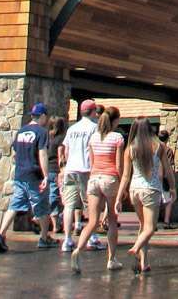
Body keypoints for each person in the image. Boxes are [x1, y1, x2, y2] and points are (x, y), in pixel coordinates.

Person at [115, 116, 175, 275]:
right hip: (151, 190)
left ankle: (144, 262)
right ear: (150, 129)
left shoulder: (130, 148)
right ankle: (136, 247)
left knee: (143, 226)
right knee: (150, 228)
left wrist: (119, 198)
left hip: (135, 190)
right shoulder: (158, 146)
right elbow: (168, 170)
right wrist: (173, 187)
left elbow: (126, 176)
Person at [0, 102, 53, 253]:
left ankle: (1, 234)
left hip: (20, 174)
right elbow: (42, 154)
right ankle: (44, 238)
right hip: (34, 174)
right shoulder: (42, 132)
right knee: (41, 207)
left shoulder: (21, 131)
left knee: (14, 205)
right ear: (43, 116)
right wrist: (46, 176)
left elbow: (15, 153)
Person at [71, 108, 124, 274]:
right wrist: (122, 186)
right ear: (115, 120)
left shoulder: (93, 138)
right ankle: (111, 259)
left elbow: (92, 163)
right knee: (112, 220)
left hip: (94, 179)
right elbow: (119, 165)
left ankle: (78, 249)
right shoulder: (117, 138)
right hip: (110, 178)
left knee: (92, 221)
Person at [60, 100, 104, 253]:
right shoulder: (94, 128)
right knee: (91, 205)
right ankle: (93, 238)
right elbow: (96, 148)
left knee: (69, 205)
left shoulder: (72, 128)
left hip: (70, 169)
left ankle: (67, 240)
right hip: (86, 169)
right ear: (93, 112)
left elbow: (66, 151)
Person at [46, 117, 66, 234]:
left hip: (47, 170)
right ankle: (56, 225)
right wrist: (62, 170)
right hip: (56, 170)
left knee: (50, 195)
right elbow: (61, 156)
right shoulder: (60, 139)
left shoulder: (47, 138)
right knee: (57, 196)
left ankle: (52, 222)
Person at [157, 128, 177, 229]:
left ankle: (153, 221)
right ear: (167, 139)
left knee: (156, 199)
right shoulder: (168, 150)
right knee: (168, 200)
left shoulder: (154, 149)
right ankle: (166, 221)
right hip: (165, 178)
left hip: (155, 178)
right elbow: (170, 167)